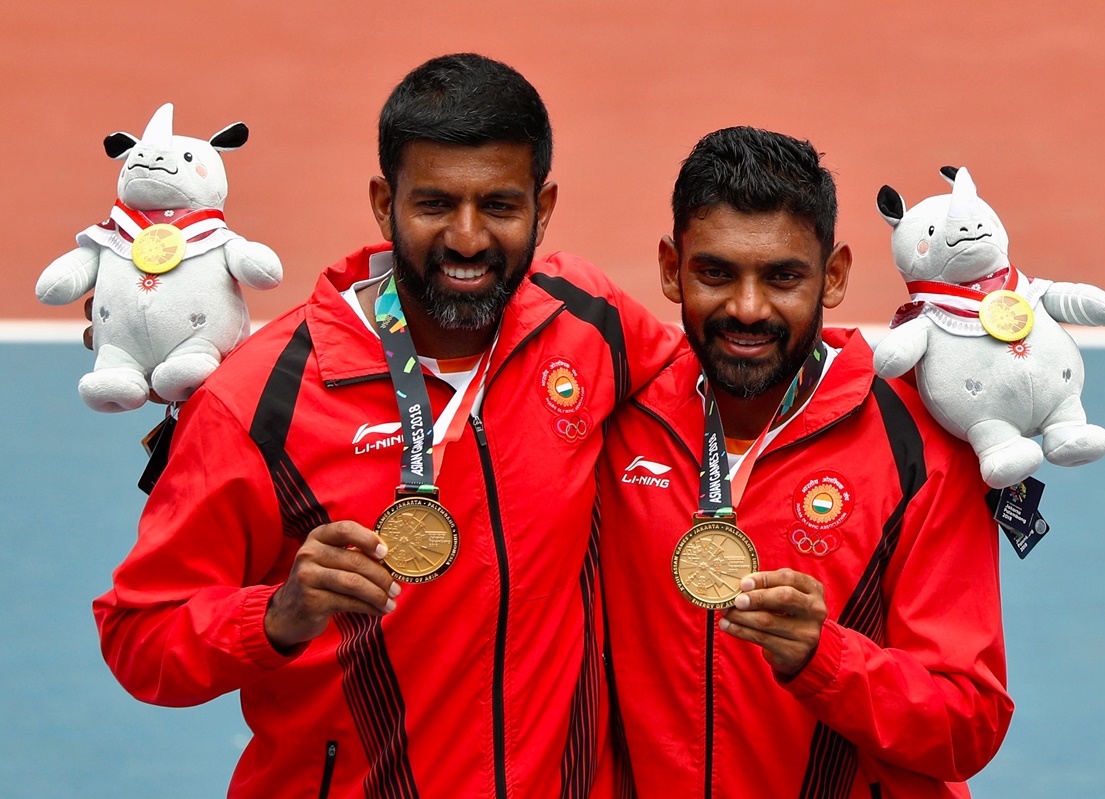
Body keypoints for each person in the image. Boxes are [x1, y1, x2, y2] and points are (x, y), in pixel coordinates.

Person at [94, 53, 682, 799]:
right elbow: (140, 636)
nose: (467, 239)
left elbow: (721, 382)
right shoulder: (262, 399)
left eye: (500, 206)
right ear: (383, 201)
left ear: (545, 204)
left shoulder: (587, 322)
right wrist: (277, 614)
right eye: (434, 204)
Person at [598, 127, 1012, 798]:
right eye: (716, 272)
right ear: (672, 269)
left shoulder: (916, 445)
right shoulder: (619, 415)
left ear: (836, 274)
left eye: (784, 276)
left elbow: (970, 723)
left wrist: (826, 659)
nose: (748, 308)